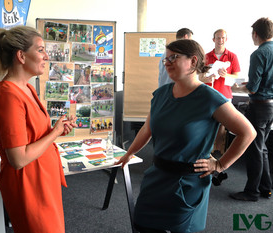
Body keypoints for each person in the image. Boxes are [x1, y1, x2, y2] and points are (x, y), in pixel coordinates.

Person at [116, 39, 256, 233]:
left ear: (193, 61)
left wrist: (220, 165)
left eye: (174, 57)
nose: (167, 62)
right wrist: (129, 153)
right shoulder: (161, 94)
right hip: (156, 178)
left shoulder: (210, 98)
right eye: (166, 59)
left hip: (187, 184)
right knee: (143, 226)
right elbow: (147, 129)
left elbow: (248, 132)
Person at [0, 26, 77, 233]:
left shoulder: (26, 88)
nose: (46, 56)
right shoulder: (7, 96)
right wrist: (53, 134)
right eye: (40, 50)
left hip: (43, 180)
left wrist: (57, 129)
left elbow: (33, 136)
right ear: (21, 56)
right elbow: (18, 159)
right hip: (29, 186)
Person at [230, 17, 273, 202]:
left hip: (259, 106)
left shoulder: (258, 53)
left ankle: (252, 192)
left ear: (256, 34)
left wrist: (235, 88)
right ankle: (266, 188)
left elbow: (253, 88)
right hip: (270, 106)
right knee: (262, 148)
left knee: (254, 149)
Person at [200, 29, 241, 157]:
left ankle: (219, 151)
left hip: (225, 94)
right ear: (213, 40)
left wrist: (226, 74)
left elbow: (236, 76)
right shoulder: (206, 56)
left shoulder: (232, 56)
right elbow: (199, 75)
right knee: (207, 121)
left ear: (226, 39)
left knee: (223, 124)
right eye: (218, 38)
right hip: (208, 93)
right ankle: (208, 149)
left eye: (223, 38)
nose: (220, 40)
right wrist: (205, 77)